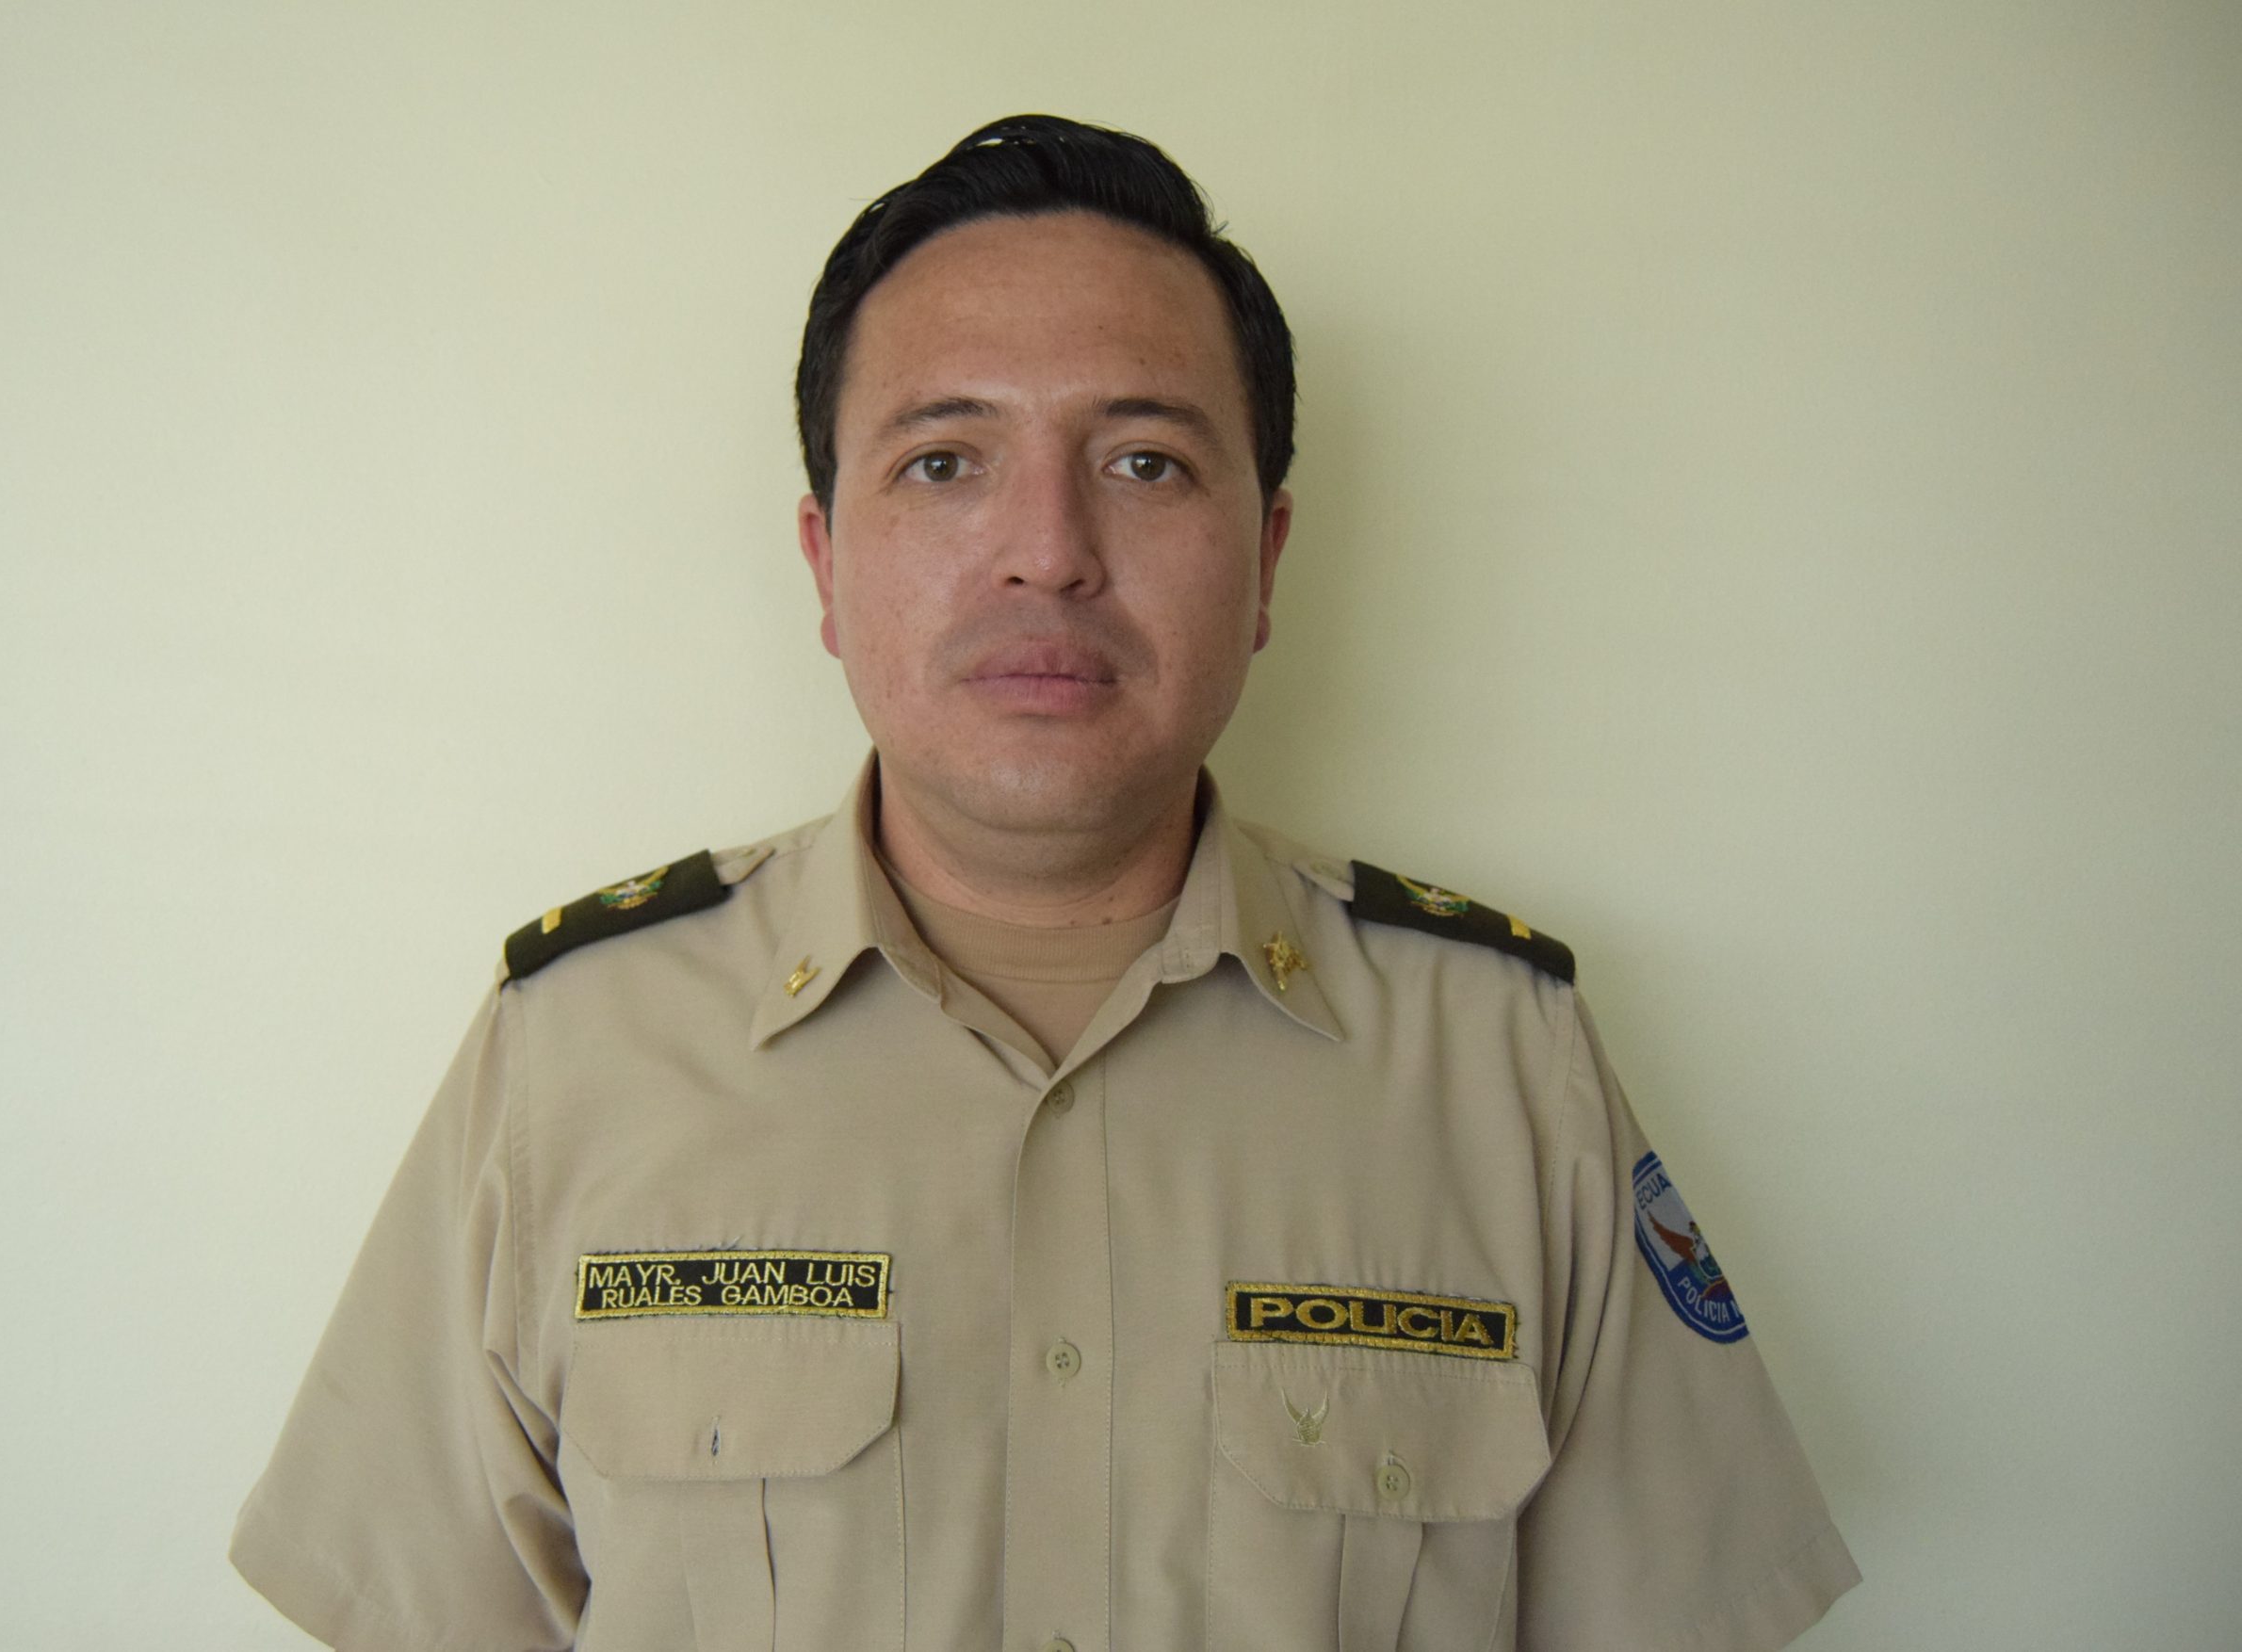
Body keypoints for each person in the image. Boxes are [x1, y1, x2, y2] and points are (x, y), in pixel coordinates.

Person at [232, 114, 1859, 1652]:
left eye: (1145, 463)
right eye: (946, 462)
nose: (1049, 549)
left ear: (1268, 560)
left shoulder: (1500, 1064)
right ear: (825, 562)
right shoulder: (574, 1054)